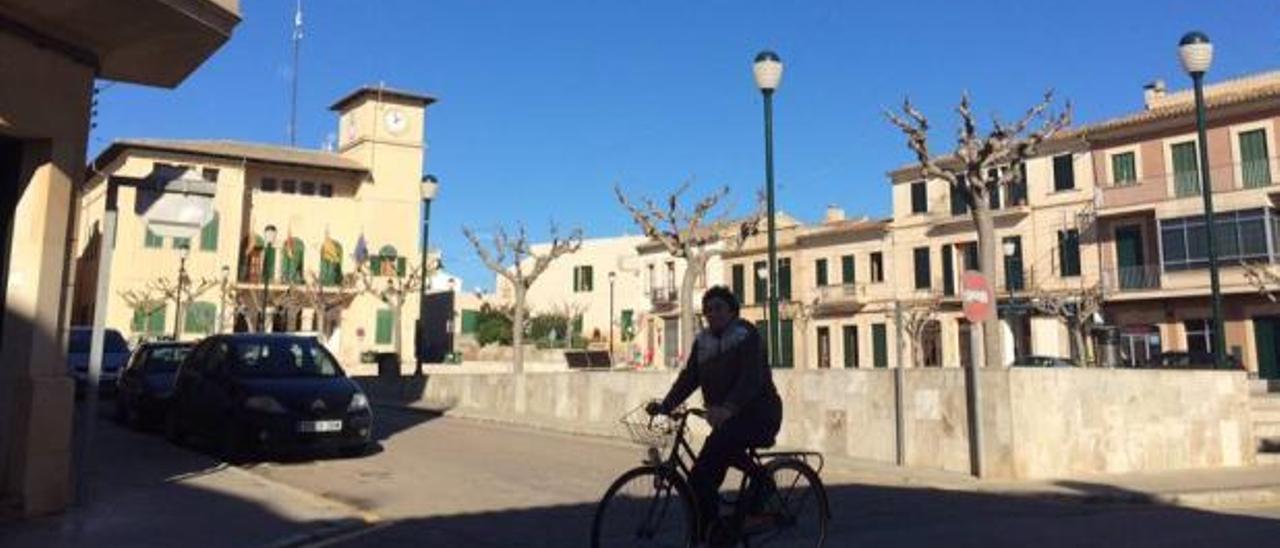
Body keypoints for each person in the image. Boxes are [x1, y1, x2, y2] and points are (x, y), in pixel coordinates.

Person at [646, 285, 783, 542]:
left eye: (719, 308)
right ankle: (710, 533)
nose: (712, 313)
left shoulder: (746, 335)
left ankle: (763, 484)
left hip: (760, 415)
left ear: (732, 311)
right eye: (708, 310)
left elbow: (750, 379)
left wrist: (729, 407)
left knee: (721, 446)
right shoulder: (704, 342)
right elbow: (689, 379)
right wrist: (665, 406)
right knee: (699, 478)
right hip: (727, 420)